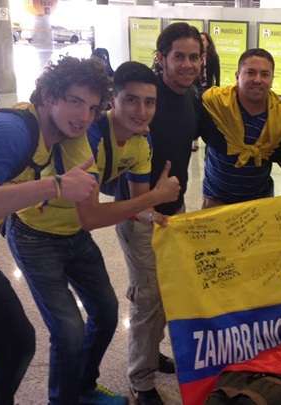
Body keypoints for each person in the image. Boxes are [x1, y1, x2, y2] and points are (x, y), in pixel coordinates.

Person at [5, 58, 180, 403]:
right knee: (68, 329)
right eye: (130, 99)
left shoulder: (141, 144)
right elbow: (93, 217)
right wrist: (154, 199)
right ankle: (63, 399)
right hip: (35, 236)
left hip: (74, 236)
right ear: (112, 101)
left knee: (105, 312)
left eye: (149, 102)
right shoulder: (88, 138)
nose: (141, 110)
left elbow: (138, 205)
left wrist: (156, 214)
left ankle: (83, 387)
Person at [0, 57, 100, 405]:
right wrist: (55, 186)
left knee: (16, 342)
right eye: (75, 101)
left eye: (93, 107)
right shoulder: (13, 132)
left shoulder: (50, 139)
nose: (84, 116)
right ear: (49, 96)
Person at [112, 22, 203, 405]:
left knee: (165, 289)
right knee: (148, 297)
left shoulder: (192, 97)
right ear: (161, 58)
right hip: (138, 213)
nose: (187, 64)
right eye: (178, 56)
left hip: (172, 209)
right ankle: (141, 379)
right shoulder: (149, 97)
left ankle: (151, 354)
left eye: (194, 57)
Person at [200, 48, 281, 208]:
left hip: (258, 204)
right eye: (250, 72)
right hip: (215, 201)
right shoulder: (215, 104)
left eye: (265, 74)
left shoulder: (280, 115)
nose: (257, 79)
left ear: (272, 79)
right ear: (237, 76)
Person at [192, 31, 221, 152]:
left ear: (208, 42)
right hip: (195, 87)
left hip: (208, 87)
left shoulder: (213, 56)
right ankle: (194, 140)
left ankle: (209, 139)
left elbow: (217, 73)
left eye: (203, 40)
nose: (202, 42)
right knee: (195, 112)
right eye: (200, 39)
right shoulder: (195, 54)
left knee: (208, 113)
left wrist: (218, 87)